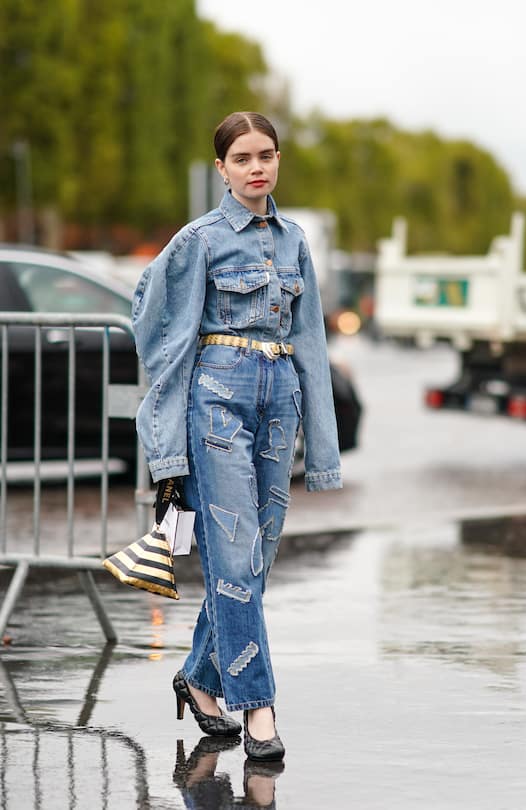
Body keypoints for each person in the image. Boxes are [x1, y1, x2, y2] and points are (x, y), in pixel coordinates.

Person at [132, 111, 342, 761]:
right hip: (216, 402)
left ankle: (199, 677)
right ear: (221, 168)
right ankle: (258, 705)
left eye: (268, 155)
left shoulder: (295, 239)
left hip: (278, 400)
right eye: (244, 158)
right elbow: (148, 308)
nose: (258, 167)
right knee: (233, 555)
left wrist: (324, 446)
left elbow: (310, 342)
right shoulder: (198, 240)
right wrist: (167, 414)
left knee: (255, 558)